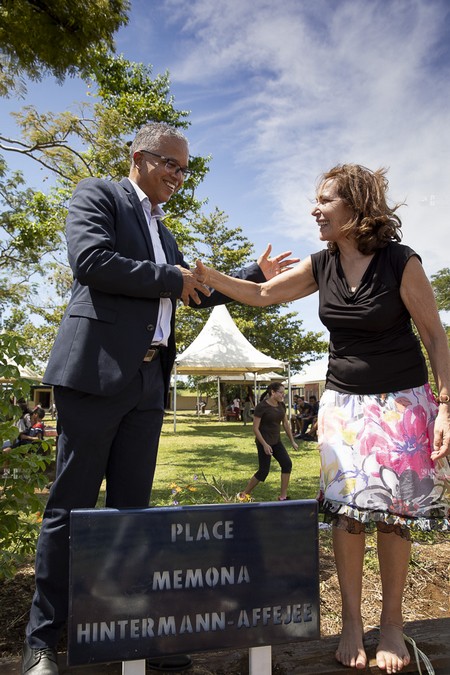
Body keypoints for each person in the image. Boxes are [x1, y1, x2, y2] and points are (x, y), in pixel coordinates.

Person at [21, 121, 298, 675]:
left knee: (133, 515)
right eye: (170, 163)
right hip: (95, 376)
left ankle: (127, 634)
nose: (178, 175)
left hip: (149, 386)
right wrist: (171, 278)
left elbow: (187, 289)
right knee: (69, 510)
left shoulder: (164, 233)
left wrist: (248, 276)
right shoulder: (98, 195)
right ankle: (43, 641)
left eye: (184, 168)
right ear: (139, 157)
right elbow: (92, 263)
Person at [195, 163, 450, 673]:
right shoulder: (322, 263)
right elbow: (264, 294)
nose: (315, 209)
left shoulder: (401, 262)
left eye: (326, 200)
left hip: (401, 403)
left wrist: (446, 405)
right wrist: (210, 275)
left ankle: (394, 624)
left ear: (357, 206)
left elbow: (435, 336)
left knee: (394, 517)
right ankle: (352, 623)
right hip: (343, 405)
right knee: (348, 515)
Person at [237, 382, 298, 501]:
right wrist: (264, 444)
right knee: (263, 471)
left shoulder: (281, 405)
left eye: (283, 392)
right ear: (273, 393)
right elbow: (255, 428)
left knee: (287, 464)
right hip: (263, 442)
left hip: (276, 441)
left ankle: (283, 496)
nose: (283, 395)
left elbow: (285, 423)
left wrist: (292, 441)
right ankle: (244, 494)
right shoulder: (261, 406)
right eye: (281, 392)